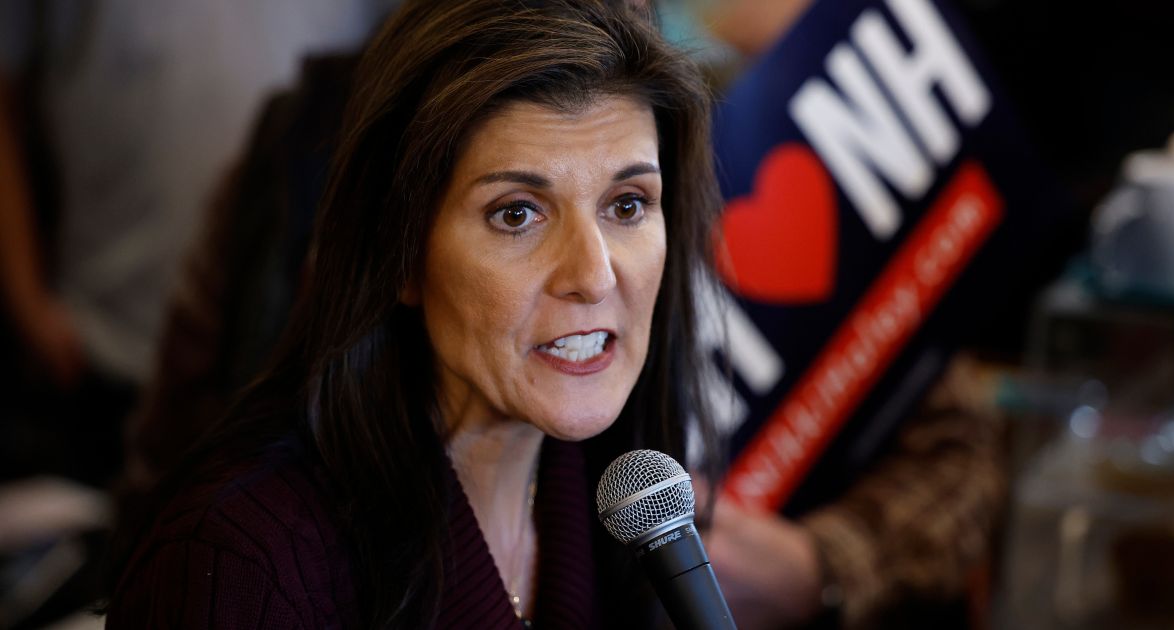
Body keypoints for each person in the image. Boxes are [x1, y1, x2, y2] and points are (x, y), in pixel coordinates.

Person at [105, 0, 723, 627]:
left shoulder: (622, 502)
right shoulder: (242, 566)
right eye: (516, 213)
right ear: (400, 254)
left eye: (626, 205)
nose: (593, 276)